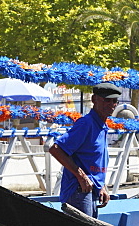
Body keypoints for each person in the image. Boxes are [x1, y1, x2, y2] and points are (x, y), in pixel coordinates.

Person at [47, 82, 122, 218]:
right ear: (94, 100)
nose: (111, 104)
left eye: (114, 101)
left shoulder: (101, 125)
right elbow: (56, 149)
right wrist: (81, 176)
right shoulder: (86, 123)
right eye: (106, 100)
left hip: (91, 190)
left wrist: (102, 186)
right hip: (79, 190)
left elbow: (94, 160)